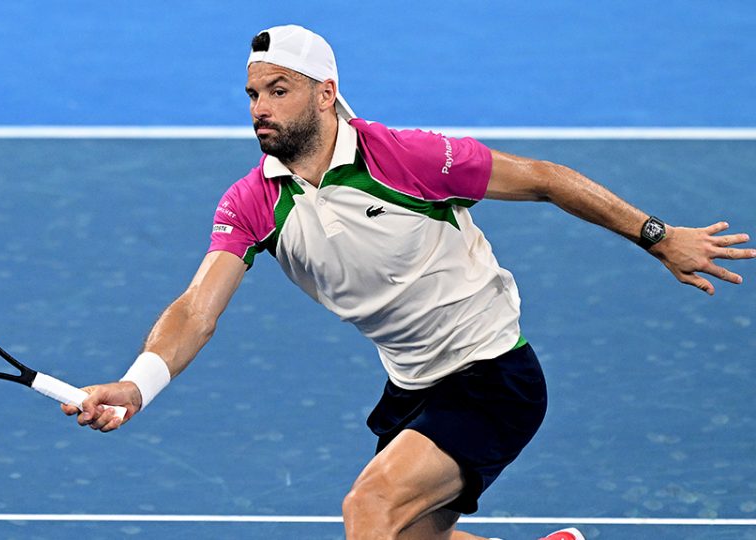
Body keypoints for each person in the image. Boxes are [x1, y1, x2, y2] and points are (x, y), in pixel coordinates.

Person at [61, 24, 754, 540]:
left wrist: (658, 237)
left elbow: (542, 179)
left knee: (369, 509)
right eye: (252, 94)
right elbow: (196, 309)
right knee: (416, 536)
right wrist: (137, 381)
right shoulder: (254, 201)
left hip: (493, 376)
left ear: (326, 95)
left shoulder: (409, 159)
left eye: (279, 90)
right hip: (413, 387)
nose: (259, 108)